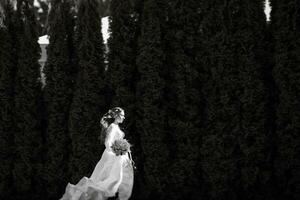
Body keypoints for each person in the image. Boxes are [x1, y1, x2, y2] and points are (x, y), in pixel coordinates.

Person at [60, 107, 134, 200]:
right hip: (113, 155)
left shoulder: (116, 127)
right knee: (110, 179)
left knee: (117, 179)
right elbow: (108, 143)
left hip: (118, 155)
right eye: (122, 115)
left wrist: (124, 149)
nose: (124, 118)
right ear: (116, 116)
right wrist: (117, 151)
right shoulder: (112, 127)